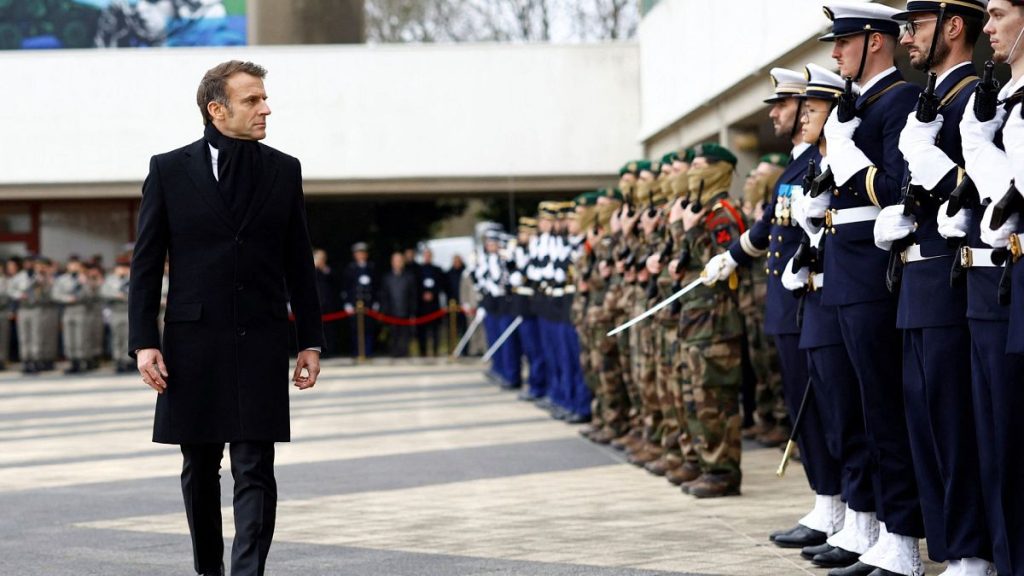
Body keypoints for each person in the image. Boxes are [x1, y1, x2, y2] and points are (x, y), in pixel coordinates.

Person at [128, 60, 323, 576]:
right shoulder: (168, 170)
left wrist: (310, 340)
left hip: (261, 337)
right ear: (217, 110)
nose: (266, 107)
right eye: (253, 100)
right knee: (198, 466)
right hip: (192, 343)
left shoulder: (285, 169)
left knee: (256, 464)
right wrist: (143, 340)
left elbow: (298, 261)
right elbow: (146, 262)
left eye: (264, 98)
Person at [796, 4, 925, 575]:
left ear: (875, 42)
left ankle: (901, 538)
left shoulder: (896, 99)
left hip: (873, 273)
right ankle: (872, 526)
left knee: (884, 410)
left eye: (843, 42)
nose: (834, 53)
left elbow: (896, 185)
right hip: (846, 274)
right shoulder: (860, 104)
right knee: (864, 411)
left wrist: (845, 158)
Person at [880, 2, 992, 574]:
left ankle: (971, 551)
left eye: (915, 26)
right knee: (924, 425)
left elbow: (985, 183)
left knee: (954, 424)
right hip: (918, 279)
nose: (906, 38)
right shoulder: (932, 102)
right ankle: (949, 547)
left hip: (952, 273)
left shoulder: (975, 94)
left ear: (953, 27)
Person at [956, 2, 1024, 573]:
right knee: (1001, 445)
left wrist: (981, 152)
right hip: (1005, 277)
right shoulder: (1002, 99)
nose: (988, 28)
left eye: (999, 12)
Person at [52, 255, 96, 374]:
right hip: (68, 309)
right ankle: (73, 361)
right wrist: (67, 298)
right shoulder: (62, 279)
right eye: (72, 265)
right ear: (68, 266)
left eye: (76, 265)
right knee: (69, 337)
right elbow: (55, 294)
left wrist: (85, 283)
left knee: (81, 337)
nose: (74, 267)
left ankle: (83, 360)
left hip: (81, 309)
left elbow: (91, 296)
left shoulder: (85, 279)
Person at [341, 242, 377, 358]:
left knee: (369, 329)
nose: (361, 255)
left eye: (363, 253)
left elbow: (376, 287)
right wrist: (347, 303)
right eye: (358, 253)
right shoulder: (350, 269)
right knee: (355, 330)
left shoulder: (372, 268)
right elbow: (345, 287)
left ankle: (368, 352)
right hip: (355, 304)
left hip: (368, 304)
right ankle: (357, 352)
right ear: (355, 255)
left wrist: (376, 302)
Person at [380, 250, 417, 358]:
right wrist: (384, 311)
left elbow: (413, 296)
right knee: (393, 334)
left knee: (405, 335)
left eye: (400, 260)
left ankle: (404, 352)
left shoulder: (409, 277)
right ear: (392, 262)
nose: (398, 263)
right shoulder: (387, 278)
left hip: (405, 311)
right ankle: (394, 352)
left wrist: (412, 311)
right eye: (396, 261)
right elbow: (384, 296)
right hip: (391, 312)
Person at [103, 255, 133, 373]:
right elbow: (104, 292)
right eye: (120, 267)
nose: (122, 269)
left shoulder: (132, 278)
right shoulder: (110, 279)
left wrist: (124, 296)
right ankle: (118, 360)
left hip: (128, 311)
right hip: (116, 311)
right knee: (116, 337)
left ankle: (129, 361)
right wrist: (116, 295)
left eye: (125, 267)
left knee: (128, 337)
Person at [415, 247, 445, 357]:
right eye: (425, 255)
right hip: (422, 306)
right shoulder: (418, 270)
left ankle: (435, 351)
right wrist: (423, 294)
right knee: (422, 331)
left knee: (435, 330)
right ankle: (423, 352)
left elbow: (441, 285)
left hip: (434, 305)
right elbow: (415, 286)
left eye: (429, 255)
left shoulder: (437, 269)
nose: (427, 257)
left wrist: (432, 293)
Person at [313, 248, 341, 358]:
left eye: (323, 258)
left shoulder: (328, 271)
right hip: (314, 305)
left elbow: (335, 282)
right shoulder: (309, 270)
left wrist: (324, 269)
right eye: (319, 258)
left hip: (327, 305)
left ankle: (329, 351)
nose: (321, 260)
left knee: (329, 330)